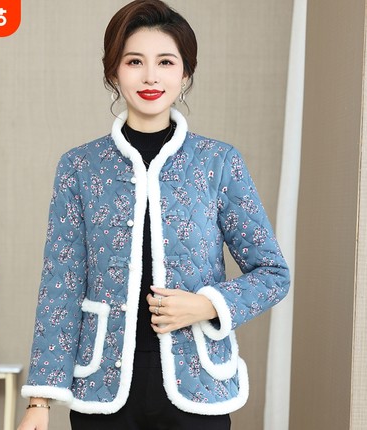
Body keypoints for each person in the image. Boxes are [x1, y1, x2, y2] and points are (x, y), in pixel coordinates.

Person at [17, 1, 290, 429]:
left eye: (165, 62)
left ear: (185, 74)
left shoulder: (218, 162)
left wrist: (207, 304)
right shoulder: (79, 167)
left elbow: (273, 273)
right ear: (113, 72)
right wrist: (40, 401)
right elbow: (60, 285)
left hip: (198, 388)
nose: (150, 76)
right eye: (134, 62)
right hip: (102, 391)